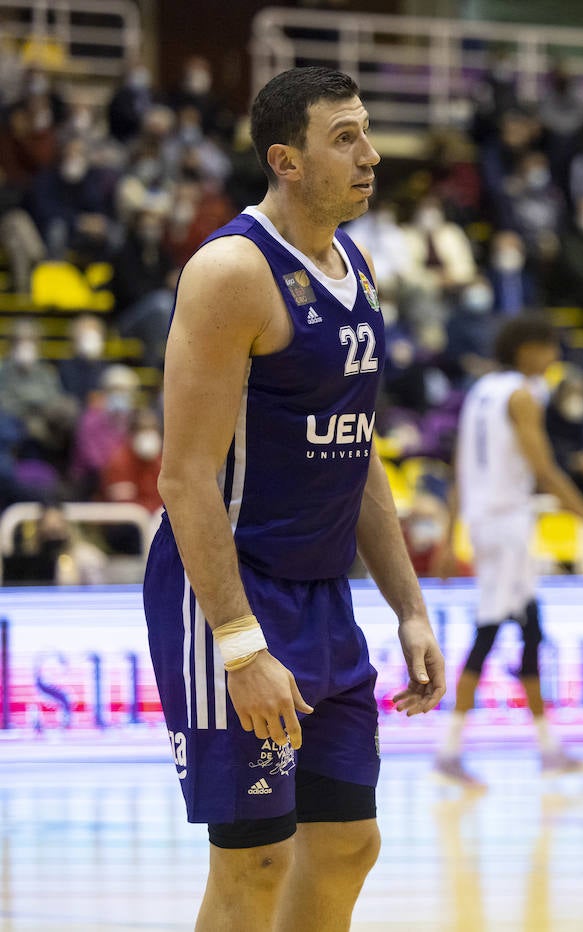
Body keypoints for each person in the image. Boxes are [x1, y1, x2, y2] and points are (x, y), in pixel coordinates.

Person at [143, 68, 446, 932]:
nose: (370, 154)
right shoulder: (230, 272)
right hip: (231, 599)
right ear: (285, 160)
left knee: (350, 843)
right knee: (256, 859)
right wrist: (241, 649)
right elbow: (183, 478)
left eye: (366, 132)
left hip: (323, 598)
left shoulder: (358, 265)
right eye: (343, 137)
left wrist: (411, 608)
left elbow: (357, 452)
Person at [436, 314, 583, 789]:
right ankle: (449, 751)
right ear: (527, 350)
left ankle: (547, 747)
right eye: (549, 348)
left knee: (531, 629)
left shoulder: (480, 392)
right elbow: (545, 469)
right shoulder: (521, 394)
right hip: (507, 523)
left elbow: (459, 469)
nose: (554, 358)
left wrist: (449, 535)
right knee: (491, 631)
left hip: (482, 521)